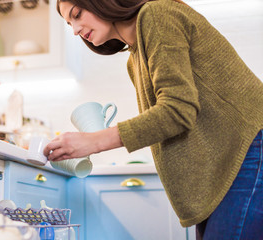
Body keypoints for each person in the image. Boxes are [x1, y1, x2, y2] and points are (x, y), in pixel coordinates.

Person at [43, 0, 263, 238]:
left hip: (250, 151)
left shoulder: (156, 15)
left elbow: (177, 111)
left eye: (77, 14)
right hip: (230, 165)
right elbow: (170, 120)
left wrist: (94, 141)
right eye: (69, 24)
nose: (75, 30)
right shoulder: (134, 58)